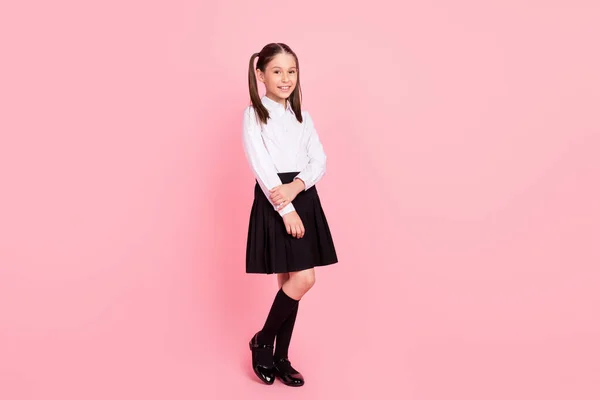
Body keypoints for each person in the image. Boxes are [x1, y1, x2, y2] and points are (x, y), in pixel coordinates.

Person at [242, 42, 338, 387]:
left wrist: (297, 187)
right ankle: (264, 342)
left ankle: (279, 356)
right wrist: (286, 208)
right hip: (276, 199)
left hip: (300, 194)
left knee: (291, 283)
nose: (285, 78)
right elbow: (261, 165)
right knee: (301, 279)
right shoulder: (254, 114)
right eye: (277, 71)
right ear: (261, 74)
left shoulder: (303, 116)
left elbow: (319, 161)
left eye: (291, 71)